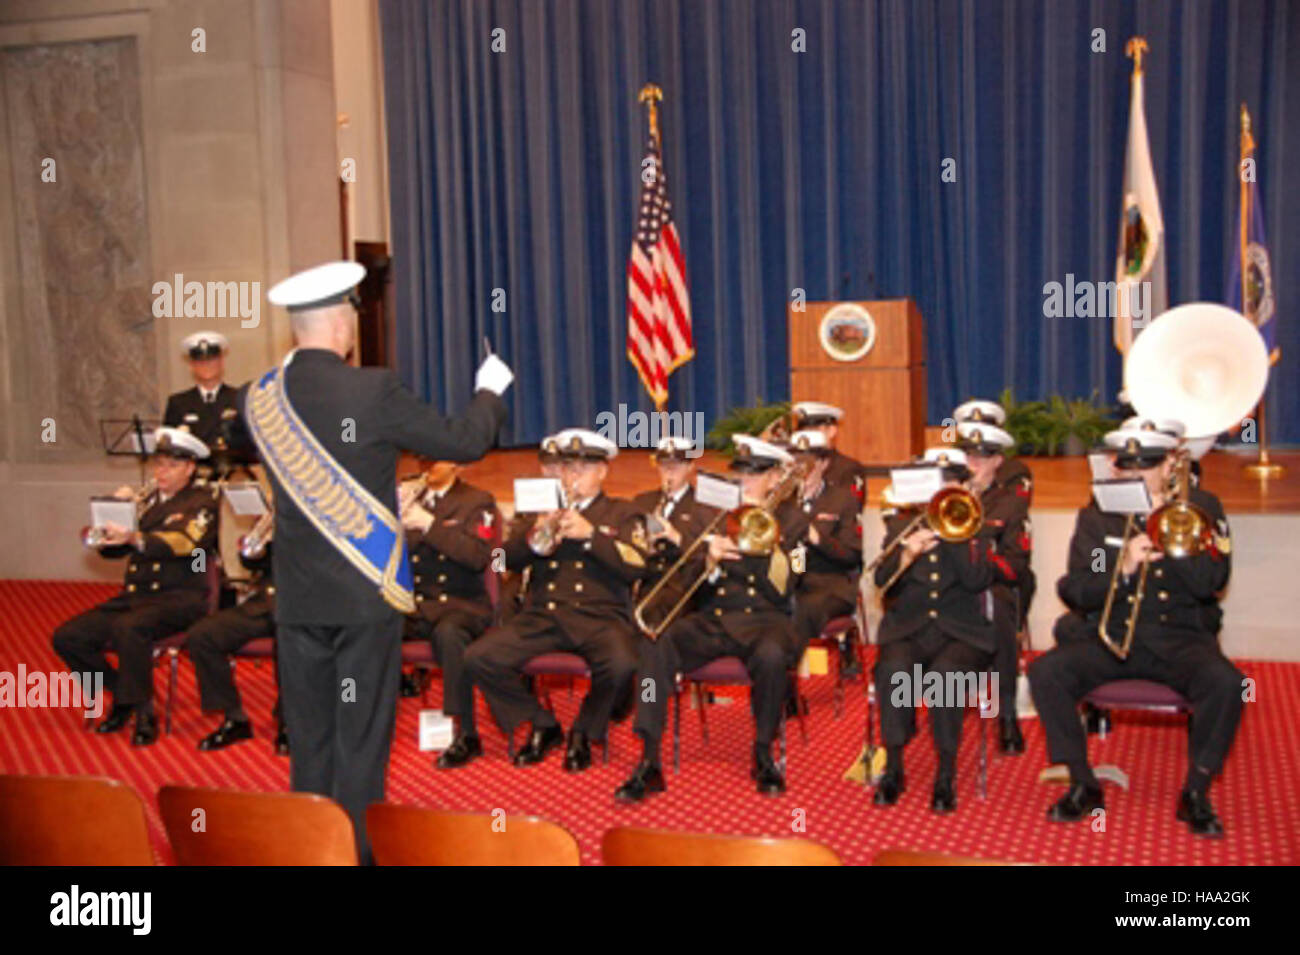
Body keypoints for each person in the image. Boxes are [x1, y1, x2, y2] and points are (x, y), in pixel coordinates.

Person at [240, 260, 510, 864]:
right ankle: (357, 857)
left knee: (310, 740)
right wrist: (490, 390)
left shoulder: (256, 398)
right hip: (365, 595)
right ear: (342, 323)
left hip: (298, 599)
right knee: (360, 739)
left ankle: (311, 853)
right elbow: (464, 441)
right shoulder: (372, 390)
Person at [1029, 425, 1240, 837]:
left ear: (1170, 465)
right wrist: (1120, 568)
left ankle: (1196, 791)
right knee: (1045, 673)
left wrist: (1171, 538)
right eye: (1126, 466)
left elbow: (1211, 581)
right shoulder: (1100, 513)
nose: (1135, 475)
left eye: (1147, 466)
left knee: (1228, 684)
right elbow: (1077, 589)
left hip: (1179, 638)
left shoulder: (1203, 508)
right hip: (1112, 636)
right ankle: (1082, 783)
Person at [616, 435, 802, 802]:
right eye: (740, 475)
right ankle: (649, 756)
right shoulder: (715, 516)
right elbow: (689, 583)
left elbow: (787, 585)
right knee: (656, 644)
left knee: (771, 657)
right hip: (715, 618)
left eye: (753, 476)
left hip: (765, 619)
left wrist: (761, 547)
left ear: (774, 478)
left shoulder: (792, 520)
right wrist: (710, 563)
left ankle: (764, 751)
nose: (743, 484)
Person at [465, 429, 649, 772]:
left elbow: (636, 567)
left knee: (624, 664)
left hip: (600, 618)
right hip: (545, 616)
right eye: (567, 468)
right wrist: (535, 533)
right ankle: (542, 723)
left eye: (582, 468)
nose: (572, 476)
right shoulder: (539, 511)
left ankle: (585, 729)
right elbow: (501, 563)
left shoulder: (624, 513)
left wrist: (591, 536)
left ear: (603, 472)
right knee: (479, 657)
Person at [53, 428, 218, 746]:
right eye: (158, 464)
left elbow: (185, 543)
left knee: (130, 628)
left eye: (171, 465)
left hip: (182, 597)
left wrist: (135, 536)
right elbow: (113, 551)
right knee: (68, 637)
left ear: (190, 468)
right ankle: (123, 693)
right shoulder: (146, 502)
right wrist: (113, 517)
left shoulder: (202, 502)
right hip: (138, 596)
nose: (161, 472)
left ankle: (144, 712)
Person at [871, 448, 995, 813]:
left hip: (961, 633)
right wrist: (906, 556)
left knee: (946, 677)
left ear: (961, 486)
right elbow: (882, 583)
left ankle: (946, 772)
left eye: (948, 483)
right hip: (909, 629)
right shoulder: (900, 526)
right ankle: (894, 767)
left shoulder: (976, 527)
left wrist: (952, 535)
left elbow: (977, 580)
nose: (939, 492)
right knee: (893, 671)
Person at [398, 460, 501, 769]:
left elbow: (475, 556)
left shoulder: (477, 501)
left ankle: (466, 731)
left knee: (450, 634)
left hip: (461, 604)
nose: (427, 465)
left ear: (456, 464)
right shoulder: (408, 495)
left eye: (436, 459)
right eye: (423, 459)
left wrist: (427, 523)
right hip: (416, 604)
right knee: (367, 626)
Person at [956, 418, 1033, 753]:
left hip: (990, 584)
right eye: (969, 456)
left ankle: (1006, 713)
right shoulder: (943, 496)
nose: (973, 464)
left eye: (982, 457)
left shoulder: (1009, 503)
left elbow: (1017, 562)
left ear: (997, 462)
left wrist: (983, 567)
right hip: (948, 583)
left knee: (999, 611)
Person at [185, 528, 288, 754]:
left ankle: (289, 723)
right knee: (203, 635)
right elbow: (254, 565)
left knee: (290, 640)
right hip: (265, 603)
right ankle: (234, 718)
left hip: (302, 605)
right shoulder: (275, 516)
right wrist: (256, 546)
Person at [775, 430, 862, 674]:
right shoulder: (782, 503)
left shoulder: (842, 501)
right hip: (790, 579)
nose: (801, 473)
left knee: (799, 609)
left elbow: (851, 555)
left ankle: (785, 681)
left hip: (830, 583)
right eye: (795, 465)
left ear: (824, 464)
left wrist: (816, 537)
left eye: (808, 465)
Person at [632, 435, 721, 609]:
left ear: (690, 467)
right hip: (646, 587)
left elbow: (710, 557)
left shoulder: (705, 507)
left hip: (684, 593)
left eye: (676, 466)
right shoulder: (641, 502)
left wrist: (676, 538)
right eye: (664, 466)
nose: (669, 472)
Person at [164, 332, 241, 456]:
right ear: (192, 365)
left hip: (231, 470)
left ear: (221, 362)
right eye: (200, 361)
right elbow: (169, 449)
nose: (206, 365)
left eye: (211, 360)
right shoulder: (178, 403)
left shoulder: (238, 399)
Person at [791, 401, 868, 499]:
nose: (808, 435)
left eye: (814, 430)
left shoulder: (849, 468)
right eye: (804, 430)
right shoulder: (793, 465)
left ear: (832, 431)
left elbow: (853, 505)